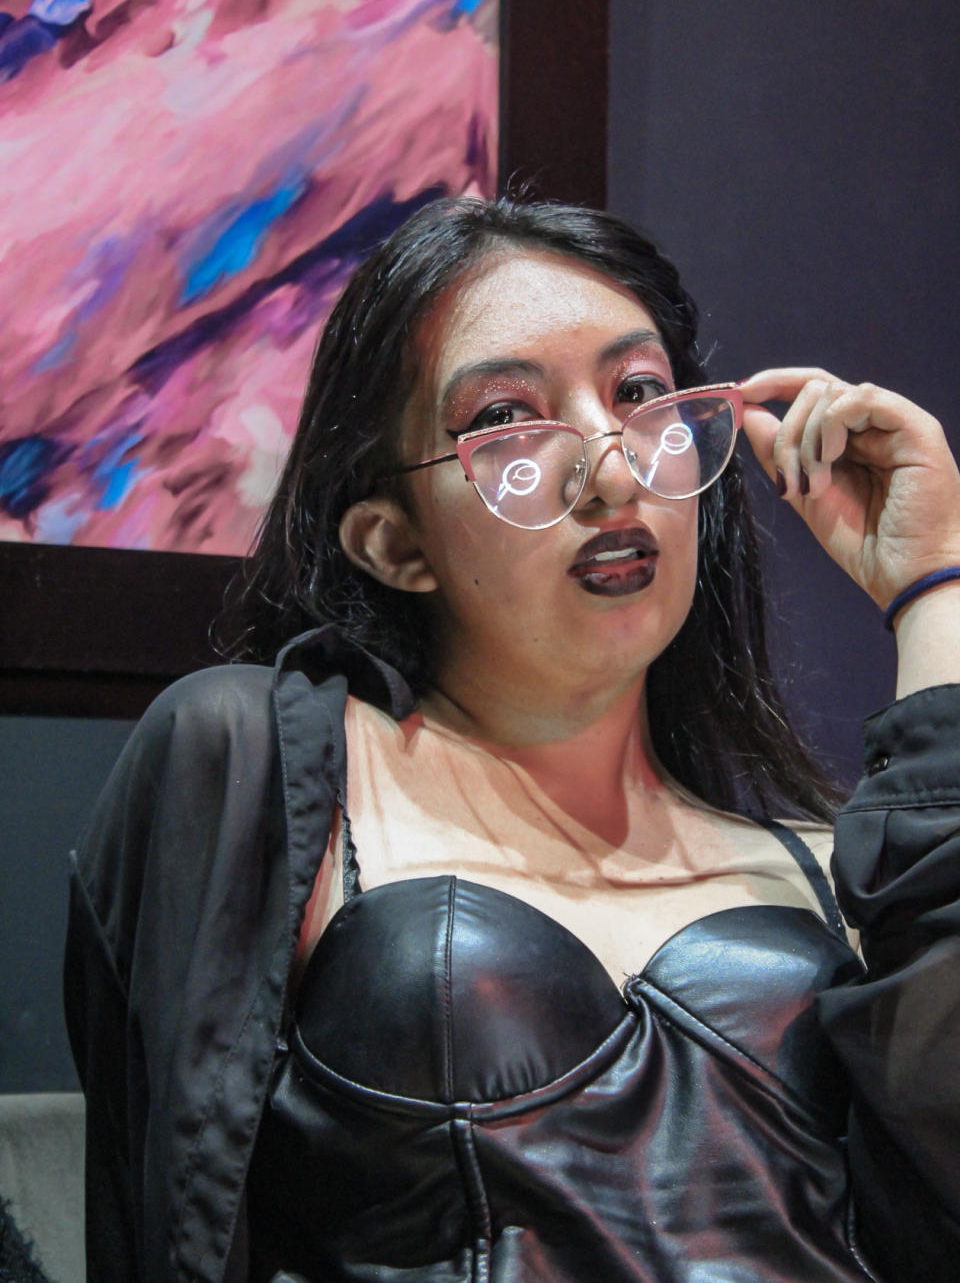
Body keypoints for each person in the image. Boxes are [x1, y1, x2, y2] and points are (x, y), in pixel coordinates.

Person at [64, 196, 960, 1283]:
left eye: (640, 394)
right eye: (505, 419)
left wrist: (931, 585)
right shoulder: (266, 773)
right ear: (394, 544)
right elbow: (172, 1210)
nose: (613, 471)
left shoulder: (827, 869)